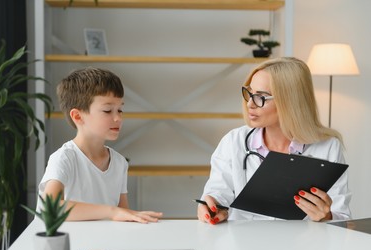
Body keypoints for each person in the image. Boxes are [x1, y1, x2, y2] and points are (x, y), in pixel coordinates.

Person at [197, 57, 351, 224]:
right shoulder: (234, 141)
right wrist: (213, 206)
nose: (250, 104)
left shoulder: (328, 147)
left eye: (261, 97)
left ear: (291, 101)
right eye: (249, 94)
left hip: (304, 246)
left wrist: (327, 217)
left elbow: (342, 217)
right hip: (244, 245)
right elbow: (218, 191)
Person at [37, 67, 162, 223]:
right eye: (108, 110)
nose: (118, 118)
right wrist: (111, 211)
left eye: (120, 110)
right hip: (68, 247)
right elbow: (50, 209)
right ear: (77, 116)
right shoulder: (64, 158)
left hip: (103, 246)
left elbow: (122, 217)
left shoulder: (119, 162)